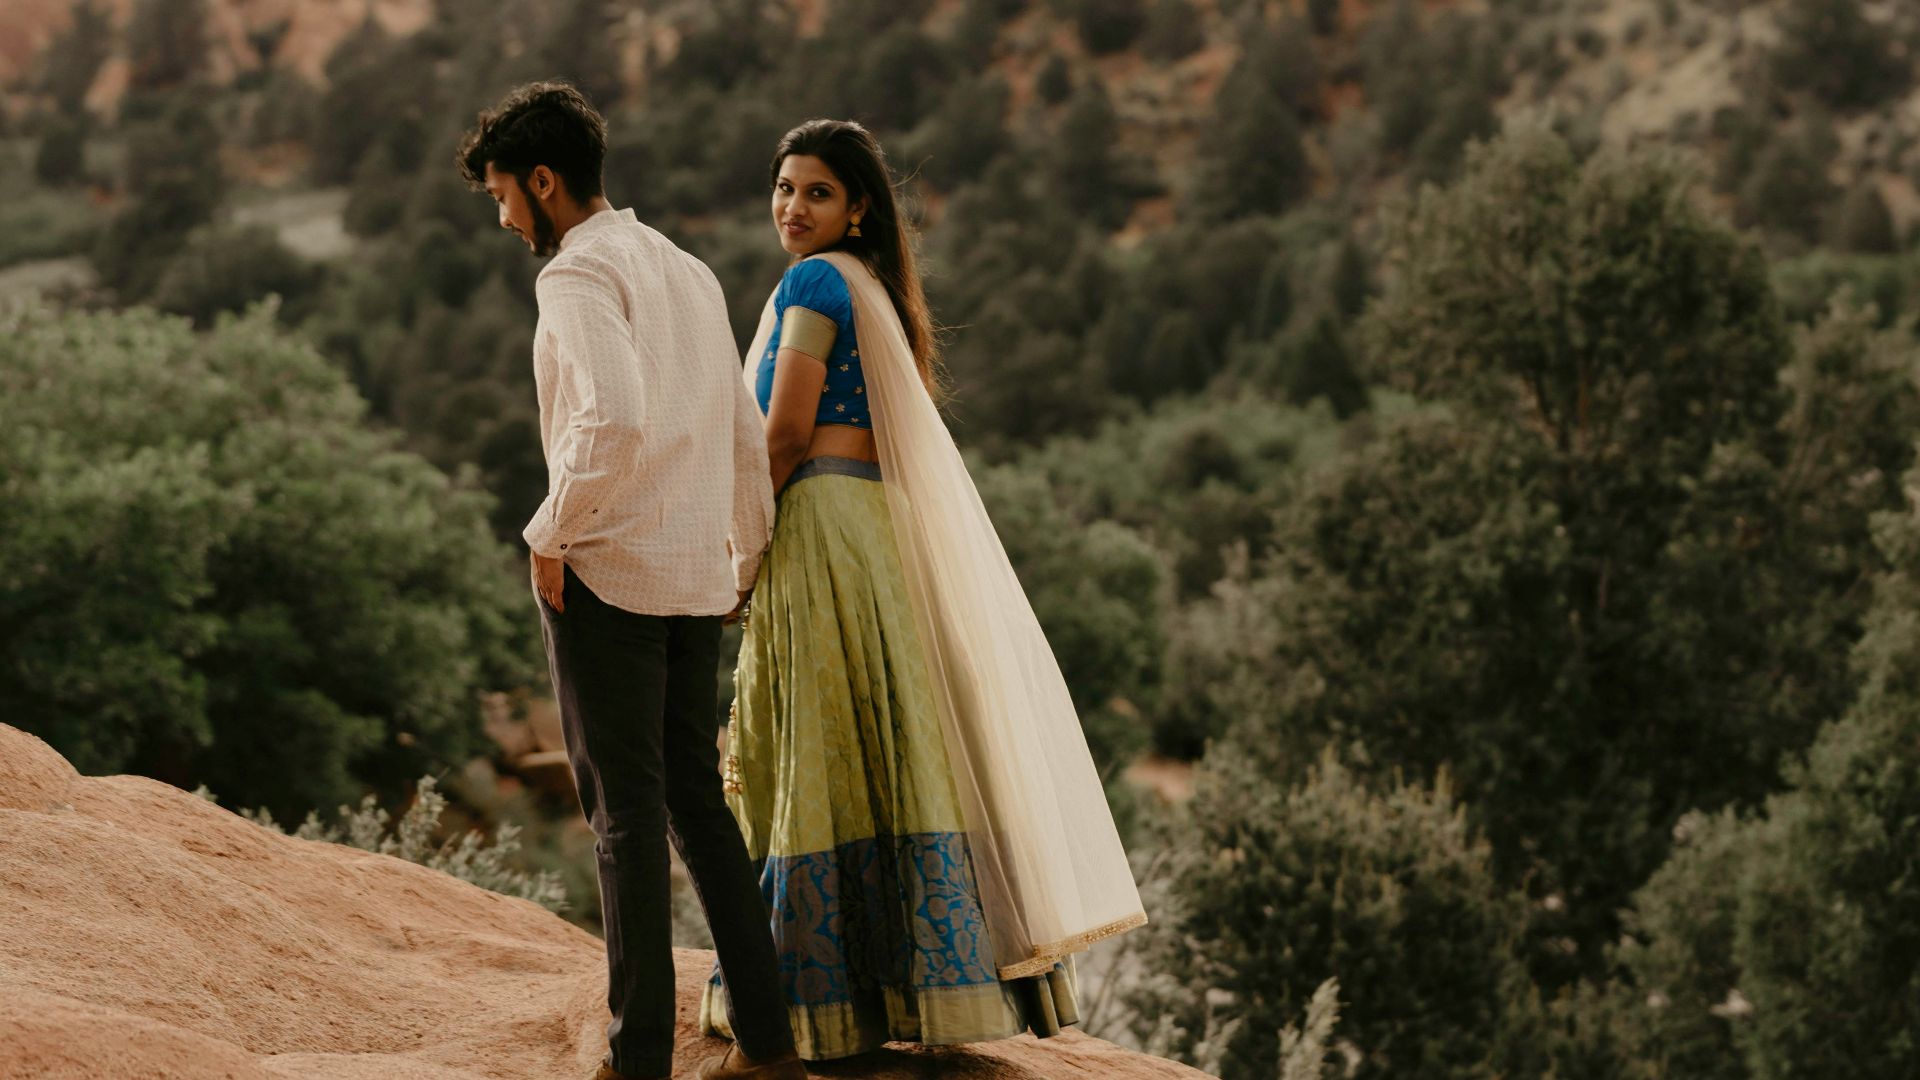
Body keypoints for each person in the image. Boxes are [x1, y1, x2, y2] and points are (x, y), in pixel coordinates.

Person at [700, 118, 1147, 1062]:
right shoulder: (877, 292)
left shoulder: (812, 284)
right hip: (874, 529)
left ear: (858, 207)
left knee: (816, 753)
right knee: (888, 744)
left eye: (817, 192)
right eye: (784, 188)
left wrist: (738, 556)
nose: (793, 207)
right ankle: (910, 987)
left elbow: (784, 435)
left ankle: (812, 1010)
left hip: (820, 524)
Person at [457, 82, 803, 1080]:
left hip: (608, 573)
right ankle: (771, 1042)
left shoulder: (574, 273)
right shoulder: (687, 270)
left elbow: (611, 418)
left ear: (544, 181)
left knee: (624, 819)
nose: (503, 217)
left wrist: (549, 532)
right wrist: (742, 557)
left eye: (503, 195)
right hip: (693, 576)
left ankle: (638, 1056)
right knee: (697, 804)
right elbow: (741, 430)